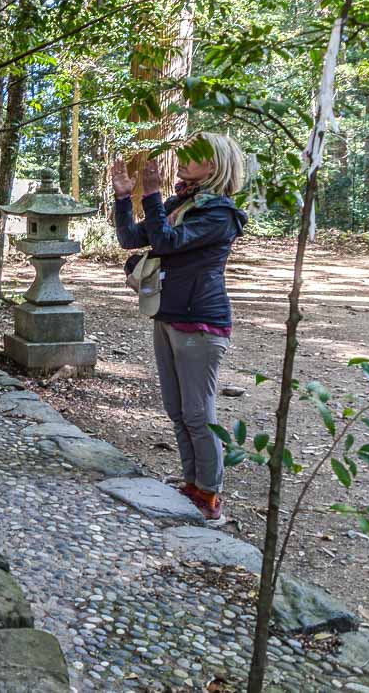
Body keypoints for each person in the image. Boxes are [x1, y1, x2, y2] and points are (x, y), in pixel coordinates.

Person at [111, 134, 248, 525]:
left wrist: (152, 196)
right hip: (168, 314)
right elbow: (131, 239)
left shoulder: (219, 214)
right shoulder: (184, 202)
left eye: (195, 157)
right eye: (184, 155)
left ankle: (210, 494)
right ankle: (192, 484)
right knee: (176, 409)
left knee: (198, 413)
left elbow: (167, 242)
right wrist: (125, 198)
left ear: (215, 165)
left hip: (201, 322)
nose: (184, 161)